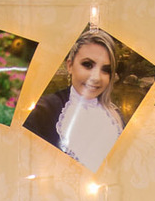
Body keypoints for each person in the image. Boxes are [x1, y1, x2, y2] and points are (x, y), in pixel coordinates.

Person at [21, 29, 124, 169]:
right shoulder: (44, 110)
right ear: (70, 65)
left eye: (105, 70)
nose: (96, 77)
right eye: (88, 65)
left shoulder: (115, 116)